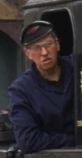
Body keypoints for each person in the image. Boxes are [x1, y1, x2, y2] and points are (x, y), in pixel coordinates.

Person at [7, 21, 77, 151]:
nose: (44, 52)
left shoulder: (79, 66)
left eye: (48, 45)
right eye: (37, 48)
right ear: (28, 54)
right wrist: (74, 141)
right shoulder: (21, 89)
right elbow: (28, 140)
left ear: (57, 44)